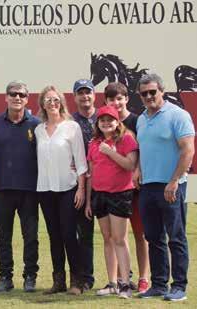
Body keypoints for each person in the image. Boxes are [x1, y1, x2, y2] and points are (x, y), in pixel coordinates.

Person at [136, 73, 195, 301]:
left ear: (162, 90)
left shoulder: (178, 115)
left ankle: (179, 286)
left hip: (172, 186)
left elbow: (188, 150)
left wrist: (173, 181)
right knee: (153, 237)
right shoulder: (141, 119)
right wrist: (139, 169)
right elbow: (144, 150)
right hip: (148, 187)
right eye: (144, 93)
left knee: (176, 237)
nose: (149, 96)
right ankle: (159, 285)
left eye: (153, 91)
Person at [0, 81, 40, 293]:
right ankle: (5, 277)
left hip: (30, 190)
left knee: (31, 236)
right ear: (5, 97)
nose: (17, 98)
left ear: (27, 99)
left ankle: (30, 277)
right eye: (13, 94)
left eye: (21, 95)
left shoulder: (36, 124)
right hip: (2, 189)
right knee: (3, 237)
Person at [35, 85, 87, 295]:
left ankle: (77, 281)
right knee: (53, 235)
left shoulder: (72, 127)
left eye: (56, 100)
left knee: (68, 234)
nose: (52, 103)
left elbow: (81, 161)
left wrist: (81, 188)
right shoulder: (38, 130)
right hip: (45, 190)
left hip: (68, 188)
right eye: (48, 100)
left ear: (61, 103)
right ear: (42, 104)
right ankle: (58, 281)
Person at [85, 106, 138, 299]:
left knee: (119, 239)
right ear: (98, 124)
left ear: (117, 122)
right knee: (107, 239)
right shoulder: (94, 143)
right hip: (99, 195)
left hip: (120, 194)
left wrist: (110, 152)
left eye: (110, 120)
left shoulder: (126, 139)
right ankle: (112, 282)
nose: (106, 123)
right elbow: (91, 174)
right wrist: (90, 201)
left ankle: (125, 285)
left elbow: (130, 165)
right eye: (102, 120)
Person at [103, 82, 150, 293]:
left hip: (136, 188)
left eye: (119, 98)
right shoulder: (105, 123)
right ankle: (122, 278)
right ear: (106, 101)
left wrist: (138, 170)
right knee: (116, 237)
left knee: (141, 235)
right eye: (112, 99)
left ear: (126, 99)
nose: (116, 103)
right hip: (114, 191)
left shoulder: (137, 121)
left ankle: (143, 278)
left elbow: (143, 150)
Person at [71, 78, 96, 291]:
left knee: (114, 235)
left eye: (88, 92)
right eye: (81, 93)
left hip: (107, 184)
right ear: (75, 97)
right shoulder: (70, 122)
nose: (85, 96)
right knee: (84, 234)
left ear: (94, 95)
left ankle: (123, 276)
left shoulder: (106, 117)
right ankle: (86, 277)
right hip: (80, 185)